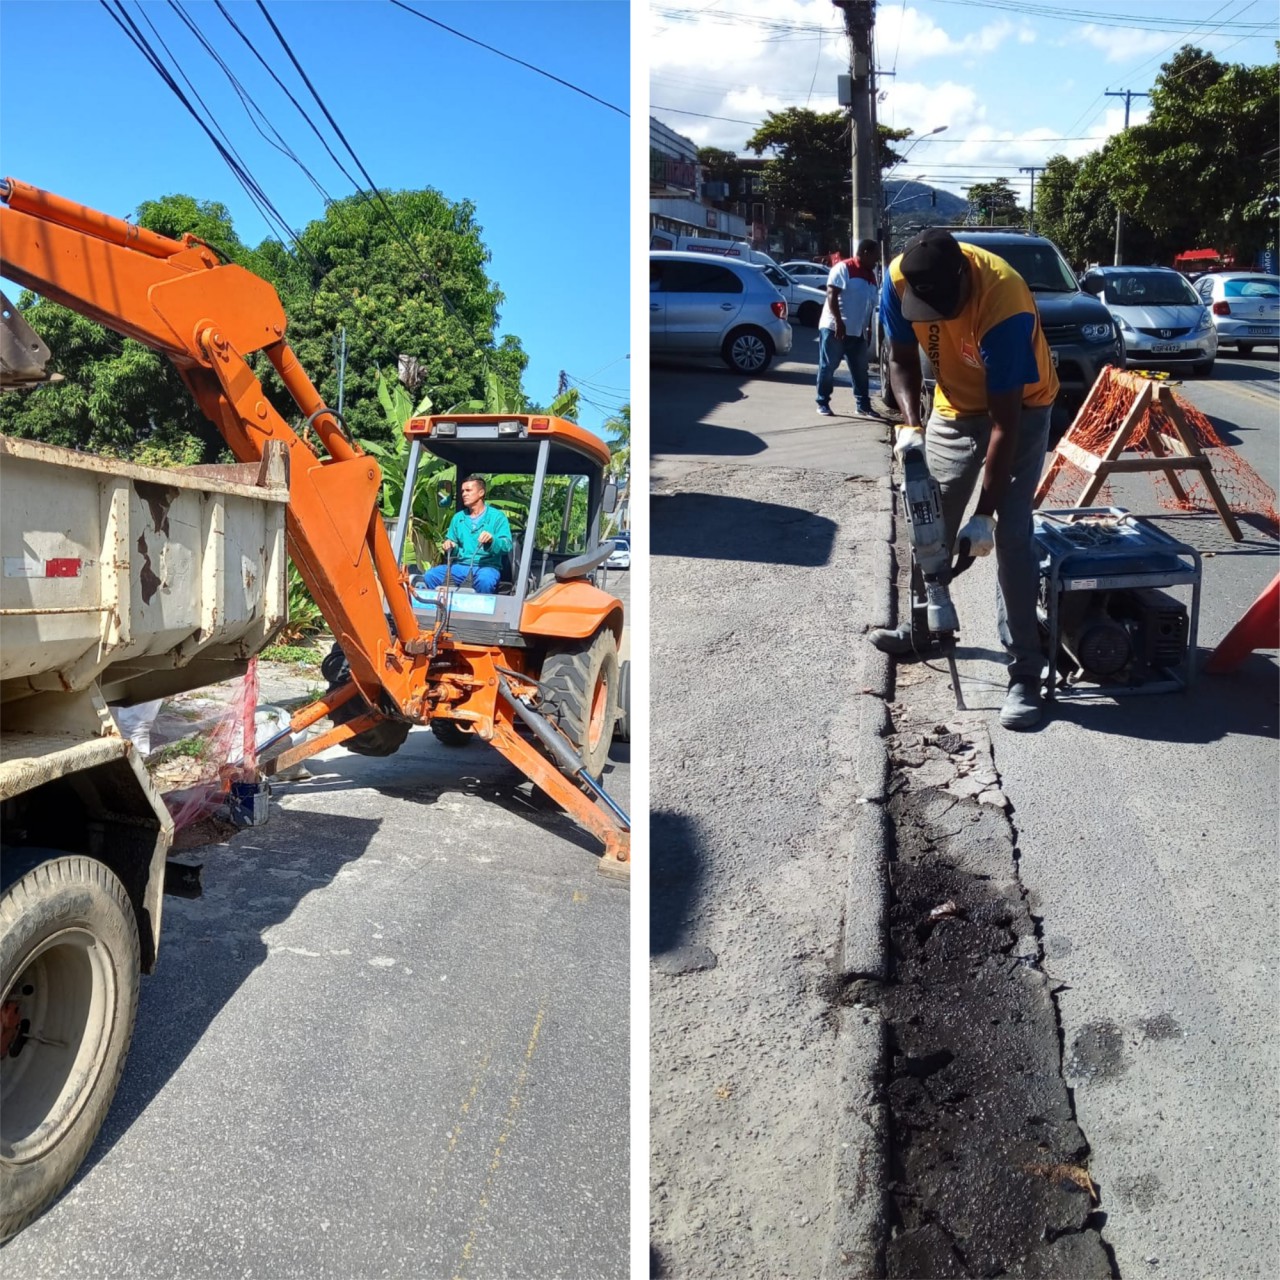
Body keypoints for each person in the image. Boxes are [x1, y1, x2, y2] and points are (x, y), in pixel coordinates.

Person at [870, 227, 1059, 731]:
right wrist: (910, 425)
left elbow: (1004, 425)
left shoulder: (1004, 300)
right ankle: (920, 628)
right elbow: (902, 360)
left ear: (963, 283)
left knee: (1012, 537)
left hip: (1021, 408)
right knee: (927, 517)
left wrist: (984, 516)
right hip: (953, 406)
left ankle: (1025, 672)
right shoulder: (898, 279)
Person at [816, 239, 882, 419]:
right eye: (875, 256)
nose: (877, 261)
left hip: (857, 332)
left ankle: (863, 405)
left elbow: (869, 304)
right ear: (866, 253)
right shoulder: (844, 268)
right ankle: (823, 402)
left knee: (861, 370)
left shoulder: (871, 274)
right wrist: (838, 321)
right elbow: (832, 293)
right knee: (828, 366)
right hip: (835, 329)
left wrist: (868, 328)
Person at [420, 474, 512, 594]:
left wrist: (492, 540)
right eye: (463, 491)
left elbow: (507, 545)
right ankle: (443, 608)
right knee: (430, 575)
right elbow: (453, 544)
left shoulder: (497, 517)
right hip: (460, 566)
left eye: (468, 490)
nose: (464, 494)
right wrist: (450, 545)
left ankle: (480, 611)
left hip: (486, 567)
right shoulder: (458, 518)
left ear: (481, 493)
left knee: (485, 581)